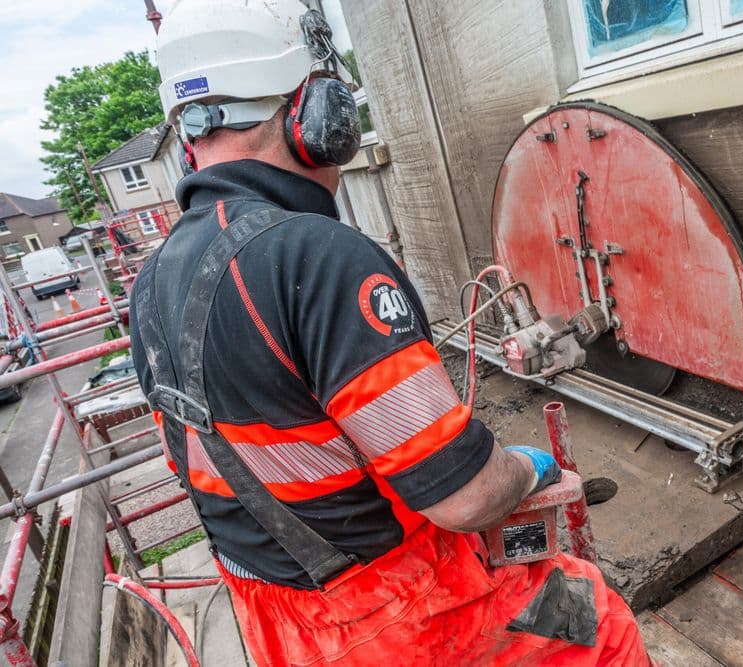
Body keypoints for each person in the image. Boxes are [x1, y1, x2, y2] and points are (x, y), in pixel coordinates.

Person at [129, 1, 651, 665]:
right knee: (599, 625)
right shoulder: (315, 257)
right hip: (405, 617)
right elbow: (464, 498)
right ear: (314, 118)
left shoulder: (151, 286)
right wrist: (524, 467)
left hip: (280, 624)